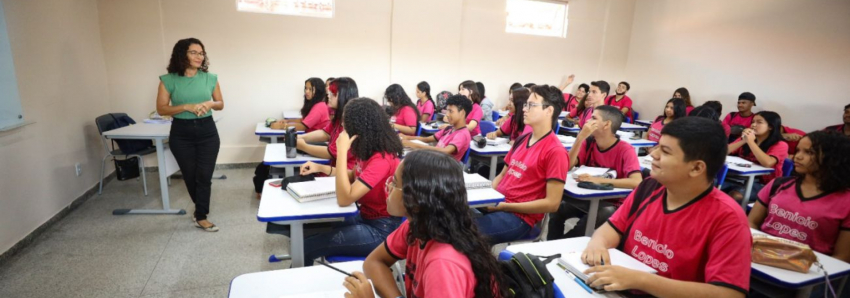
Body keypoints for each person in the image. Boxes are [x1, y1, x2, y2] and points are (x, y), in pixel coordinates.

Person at [581, 117, 751, 298]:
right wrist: (597, 244)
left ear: (696, 168)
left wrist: (641, 280)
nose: (653, 155)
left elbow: (730, 294)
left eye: (666, 151)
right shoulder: (649, 187)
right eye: (657, 146)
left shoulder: (727, 217)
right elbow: (613, 227)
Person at [347, 150, 510, 298]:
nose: (388, 187)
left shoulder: (442, 264)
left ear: (417, 200)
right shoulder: (416, 226)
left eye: (395, 183)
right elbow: (374, 262)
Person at [296, 98, 404, 266]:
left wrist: (341, 152)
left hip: (381, 229)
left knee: (308, 246)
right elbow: (353, 176)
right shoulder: (368, 149)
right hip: (363, 216)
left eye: (347, 123)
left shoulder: (382, 159)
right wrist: (322, 168)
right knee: (312, 229)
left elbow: (345, 199)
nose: (343, 128)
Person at [747, 131, 850, 298]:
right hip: (761, 259)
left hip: (807, 274)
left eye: (809, 152)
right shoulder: (779, 184)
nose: (797, 157)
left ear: (833, 158)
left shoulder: (846, 201)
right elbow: (751, 224)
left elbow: (842, 257)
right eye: (798, 150)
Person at [475, 85, 568, 244]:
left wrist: (504, 206)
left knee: (464, 233)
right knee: (450, 216)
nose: (524, 109)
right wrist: (488, 197)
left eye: (531, 105)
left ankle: (482, 268)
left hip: (518, 217)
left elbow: (552, 204)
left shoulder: (555, 151)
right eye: (526, 104)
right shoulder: (522, 139)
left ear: (549, 111)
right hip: (498, 204)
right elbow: (503, 174)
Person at [156, 38, 224, 232]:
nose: (199, 56)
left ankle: (201, 215)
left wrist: (210, 103)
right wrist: (185, 106)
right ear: (181, 54)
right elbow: (161, 109)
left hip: (207, 131)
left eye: (201, 53)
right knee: (190, 175)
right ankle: (200, 209)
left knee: (204, 175)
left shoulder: (210, 78)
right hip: (181, 133)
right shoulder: (167, 80)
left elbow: (220, 103)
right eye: (193, 52)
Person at [548, 105, 642, 240]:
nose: (587, 121)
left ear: (607, 124)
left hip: (612, 203)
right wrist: (580, 138)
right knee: (557, 208)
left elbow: (636, 182)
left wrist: (599, 180)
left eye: (593, 118)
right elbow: (567, 166)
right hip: (587, 197)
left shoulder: (625, 150)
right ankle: (552, 244)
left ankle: (562, 248)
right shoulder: (590, 142)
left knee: (596, 217)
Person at [723, 111, 789, 203]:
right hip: (738, 179)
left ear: (770, 126)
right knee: (712, 186)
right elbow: (724, 151)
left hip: (763, 185)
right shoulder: (747, 138)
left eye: (759, 122)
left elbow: (768, 163)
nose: (753, 125)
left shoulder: (780, 144)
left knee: (735, 196)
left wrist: (751, 142)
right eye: (753, 122)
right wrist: (744, 141)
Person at [296, 77, 359, 170]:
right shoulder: (339, 116)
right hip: (333, 168)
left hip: (344, 172)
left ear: (343, 96)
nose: (328, 95)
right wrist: (300, 137)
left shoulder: (351, 122)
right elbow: (325, 133)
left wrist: (304, 146)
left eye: (332, 93)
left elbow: (332, 153)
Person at [402, 95, 472, 162]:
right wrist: (407, 138)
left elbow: (445, 151)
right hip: (435, 160)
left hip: (444, 169)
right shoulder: (449, 128)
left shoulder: (462, 134)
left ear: (462, 113)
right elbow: (426, 139)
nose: (447, 114)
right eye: (447, 110)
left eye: (451, 111)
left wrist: (412, 145)